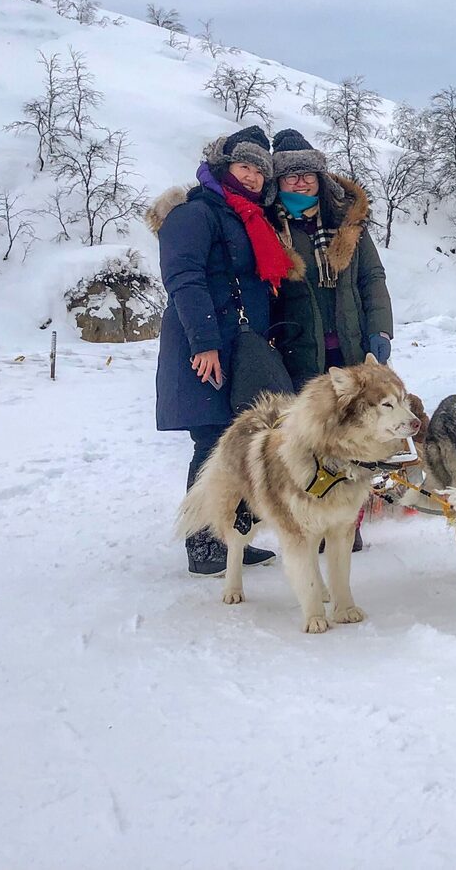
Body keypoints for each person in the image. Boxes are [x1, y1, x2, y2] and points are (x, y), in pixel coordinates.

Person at [149, 125, 296, 575]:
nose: (252, 176)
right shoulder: (195, 214)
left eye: (258, 169)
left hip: (239, 346)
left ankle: (230, 533)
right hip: (206, 345)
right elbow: (184, 279)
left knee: (238, 443)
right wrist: (205, 343)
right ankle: (205, 543)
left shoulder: (245, 217)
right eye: (243, 165)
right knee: (212, 442)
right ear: (222, 166)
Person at [268, 130, 395, 550]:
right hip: (300, 348)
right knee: (314, 437)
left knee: (358, 434)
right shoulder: (270, 227)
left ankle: (347, 524)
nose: (300, 182)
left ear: (320, 177)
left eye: (307, 174)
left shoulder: (347, 223)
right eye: (290, 177)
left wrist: (380, 330)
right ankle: (312, 522)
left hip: (351, 348)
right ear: (279, 183)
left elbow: (371, 278)